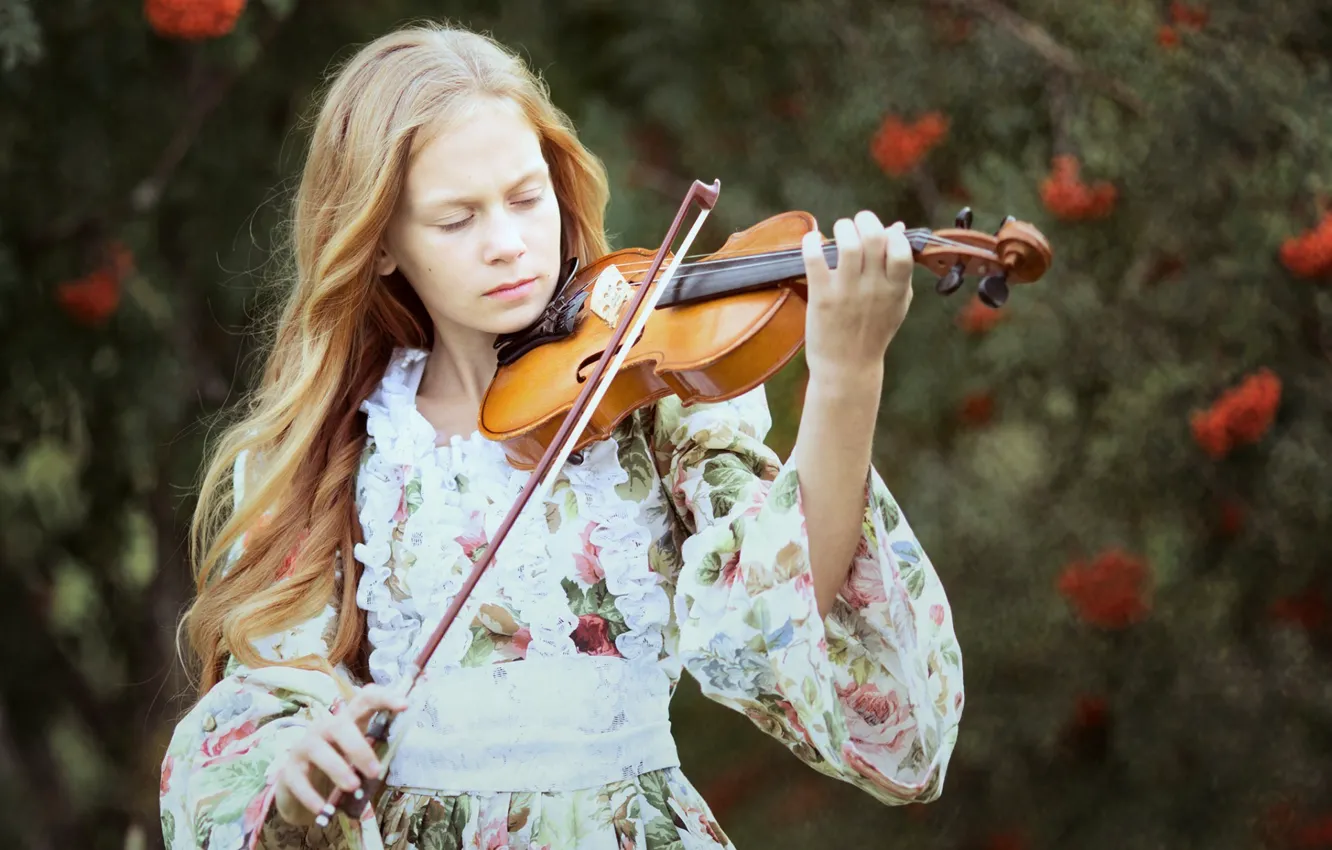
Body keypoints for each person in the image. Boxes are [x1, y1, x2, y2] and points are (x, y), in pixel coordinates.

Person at [159, 20, 964, 850]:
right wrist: (299, 773)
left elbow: (782, 611)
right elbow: (271, 709)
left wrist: (846, 376)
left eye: (524, 197)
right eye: (455, 220)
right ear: (384, 243)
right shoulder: (339, 449)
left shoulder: (652, 399)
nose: (507, 245)